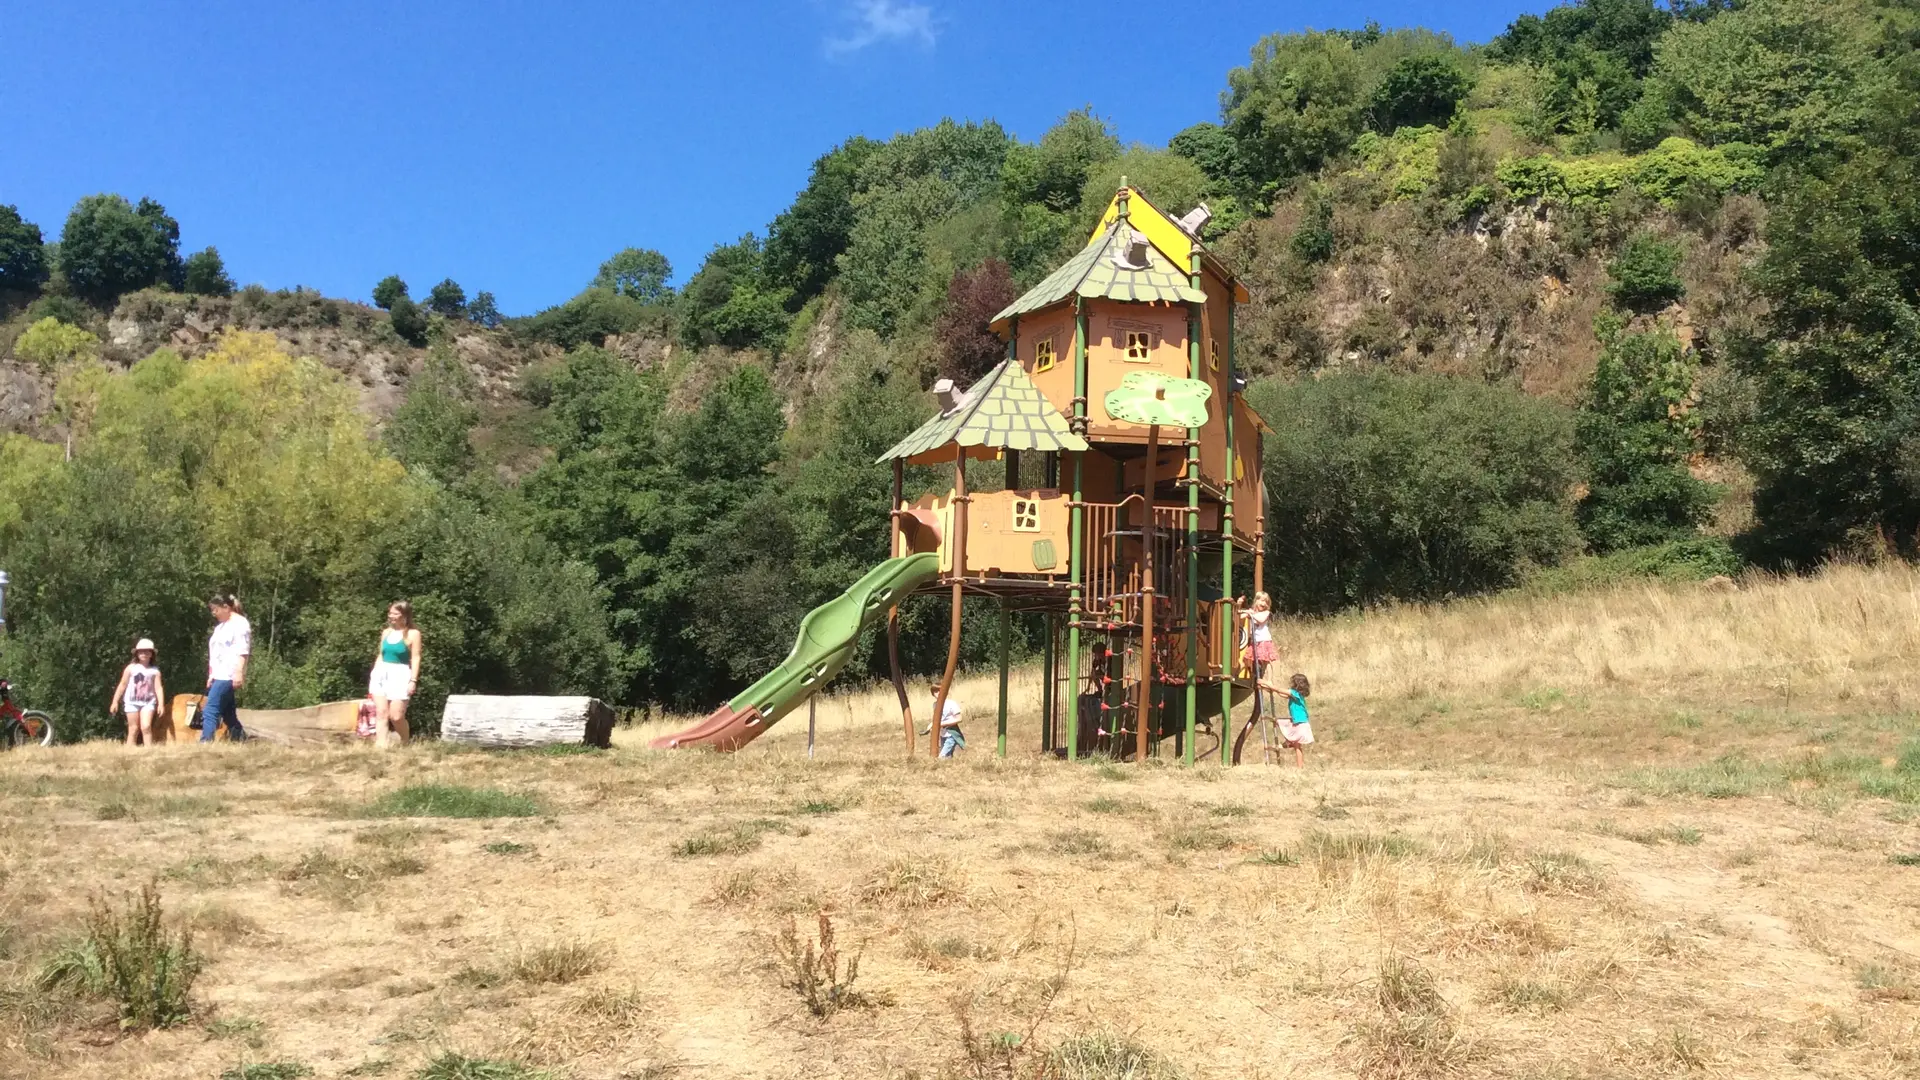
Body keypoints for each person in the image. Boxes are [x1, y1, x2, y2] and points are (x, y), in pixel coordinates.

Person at [368, 601, 423, 748]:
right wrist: (375, 672)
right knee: (381, 713)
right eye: (390, 613)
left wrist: (413, 680)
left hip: (400, 674)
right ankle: (381, 747)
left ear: (404, 615)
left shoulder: (413, 634)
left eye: (395, 613)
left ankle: (405, 743)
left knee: (396, 716)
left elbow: (416, 657)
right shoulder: (386, 632)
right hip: (381, 673)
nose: (391, 616)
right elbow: (381, 654)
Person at [200, 593, 249, 743]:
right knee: (228, 713)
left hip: (228, 674)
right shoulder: (220, 627)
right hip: (218, 674)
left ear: (226, 607)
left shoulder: (240, 624)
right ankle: (240, 738)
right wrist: (211, 675)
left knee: (210, 710)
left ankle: (205, 742)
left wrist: (239, 672)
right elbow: (215, 654)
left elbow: (243, 650)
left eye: (215, 610)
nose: (213, 613)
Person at [109, 638, 165, 747]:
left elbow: (158, 688)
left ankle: (149, 749)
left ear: (151, 654)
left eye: (147, 651)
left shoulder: (155, 671)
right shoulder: (130, 668)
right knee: (133, 728)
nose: (144, 653)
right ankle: (130, 751)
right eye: (141, 651)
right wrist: (115, 701)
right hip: (131, 702)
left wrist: (161, 704)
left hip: (148, 702)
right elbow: (122, 685)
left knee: (146, 726)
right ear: (137, 653)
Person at [1279, 673, 1314, 767]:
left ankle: (1288, 743)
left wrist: (1268, 684)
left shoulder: (1295, 693)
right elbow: (1281, 693)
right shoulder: (1295, 695)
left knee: (1295, 741)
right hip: (1299, 722)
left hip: (1301, 723)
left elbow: (1280, 690)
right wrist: (1270, 688)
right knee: (1297, 746)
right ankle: (1299, 766)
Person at [922, 687, 965, 758]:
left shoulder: (951, 703)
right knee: (947, 757)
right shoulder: (935, 705)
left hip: (951, 734)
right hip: (943, 734)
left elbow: (959, 718)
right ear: (932, 694)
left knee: (942, 756)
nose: (938, 693)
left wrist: (942, 724)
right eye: (935, 691)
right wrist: (931, 725)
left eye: (940, 691)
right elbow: (937, 719)